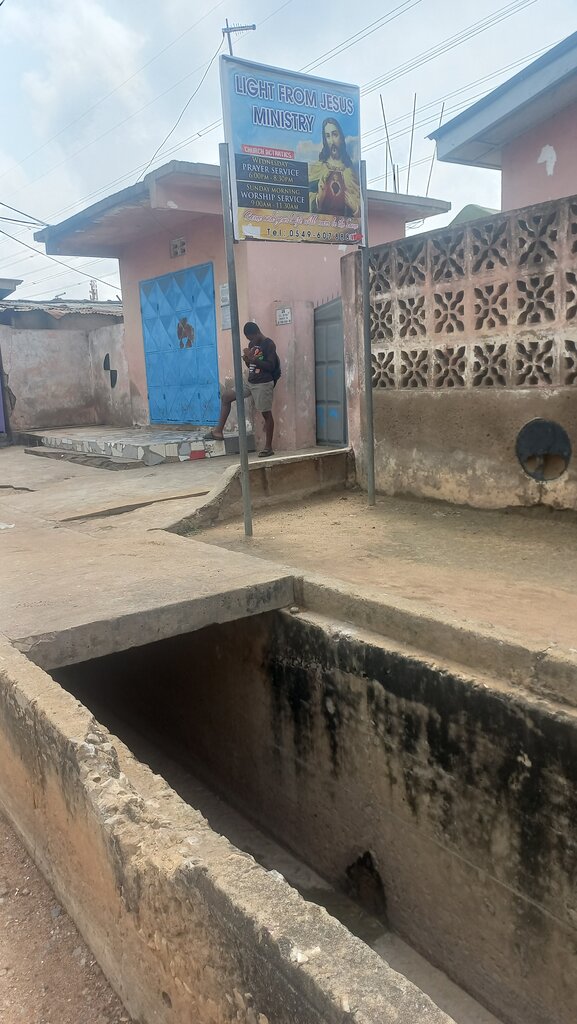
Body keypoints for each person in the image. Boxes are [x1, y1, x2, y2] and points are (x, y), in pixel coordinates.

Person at [204, 322, 277, 458]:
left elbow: (271, 366)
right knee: (226, 396)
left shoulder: (269, 344)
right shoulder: (251, 346)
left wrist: (254, 359)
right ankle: (218, 431)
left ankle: (268, 447)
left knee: (266, 414)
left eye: (251, 338)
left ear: (256, 333)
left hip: (263, 383)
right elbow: (251, 365)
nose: (250, 341)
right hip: (249, 380)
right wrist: (247, 360)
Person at [309, 118, 361, 218]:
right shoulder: (317, 168)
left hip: (346, 231)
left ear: (341, 137)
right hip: (320, 229)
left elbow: (360, 212)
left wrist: (356, 209)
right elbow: (304, 202)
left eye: (335, 135)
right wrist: (319, 198)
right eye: (327, 136)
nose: (332, 141)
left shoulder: (350, 171)